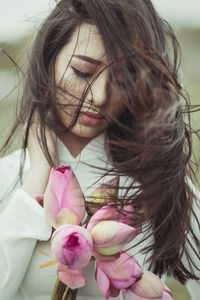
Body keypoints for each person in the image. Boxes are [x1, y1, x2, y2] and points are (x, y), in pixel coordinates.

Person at [0, 0, 199, 299]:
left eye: (123, 78)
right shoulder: (8, 180)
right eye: (82, 71)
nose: (100, 96)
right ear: (49, 61)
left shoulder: (159, 185)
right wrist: (37, 180)